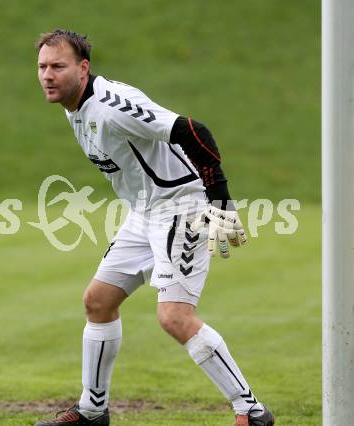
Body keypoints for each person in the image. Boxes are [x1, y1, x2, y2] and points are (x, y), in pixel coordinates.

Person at [34, 29, 275, 426]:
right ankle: (93, 412)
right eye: (42, 66)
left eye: (57, 66)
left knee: (174, 317)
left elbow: (196, 132)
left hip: (181, 207)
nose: (47, 75)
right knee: (98, 301)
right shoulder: (73, 105)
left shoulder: (113, 106)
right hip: (143, 212)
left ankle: (252, 411)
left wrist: (220, 203)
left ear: (83, 67)